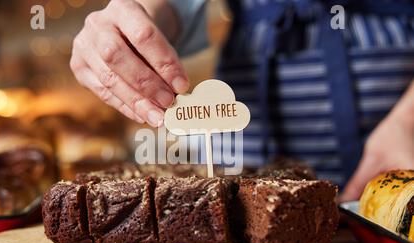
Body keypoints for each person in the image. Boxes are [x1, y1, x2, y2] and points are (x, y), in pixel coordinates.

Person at [70, 0, 414, 200]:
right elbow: (172, 6)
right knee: (223, 204)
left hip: (399, 148)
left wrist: (406, 122)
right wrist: (135, 21)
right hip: (242, 143)